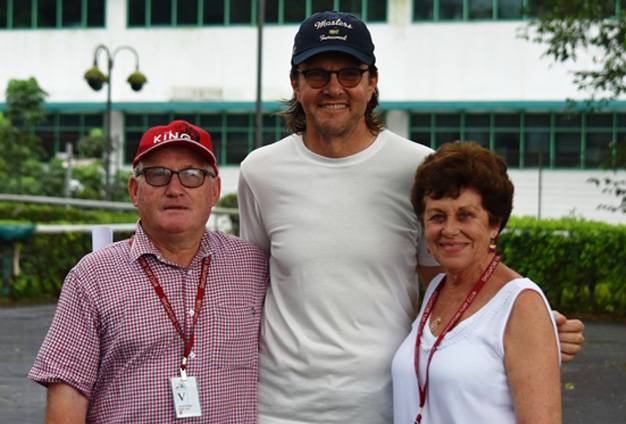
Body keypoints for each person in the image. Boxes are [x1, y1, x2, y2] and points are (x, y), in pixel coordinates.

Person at [238, 10, 583, 423]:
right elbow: (248, 289)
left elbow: (452, 275)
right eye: (316, 74)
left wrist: (528, 320)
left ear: (372, 81)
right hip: (280, 410)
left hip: (387, 405)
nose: (334, 88)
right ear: (296, 82)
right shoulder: (260, 171)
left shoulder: (415, 168)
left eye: (350, 73)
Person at [29, 120, 269, 423]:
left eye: (192, 175)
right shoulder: (92, 277)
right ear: (134, 191)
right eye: (158, 175)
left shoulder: (252, 266)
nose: (174, 189)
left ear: (215, 191)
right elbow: (68, 391)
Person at [392, 141, 561, 423]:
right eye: (437, 216)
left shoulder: (521, 305)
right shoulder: (437, 288)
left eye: (465, 215)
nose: (449, 230)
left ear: (495, 224)